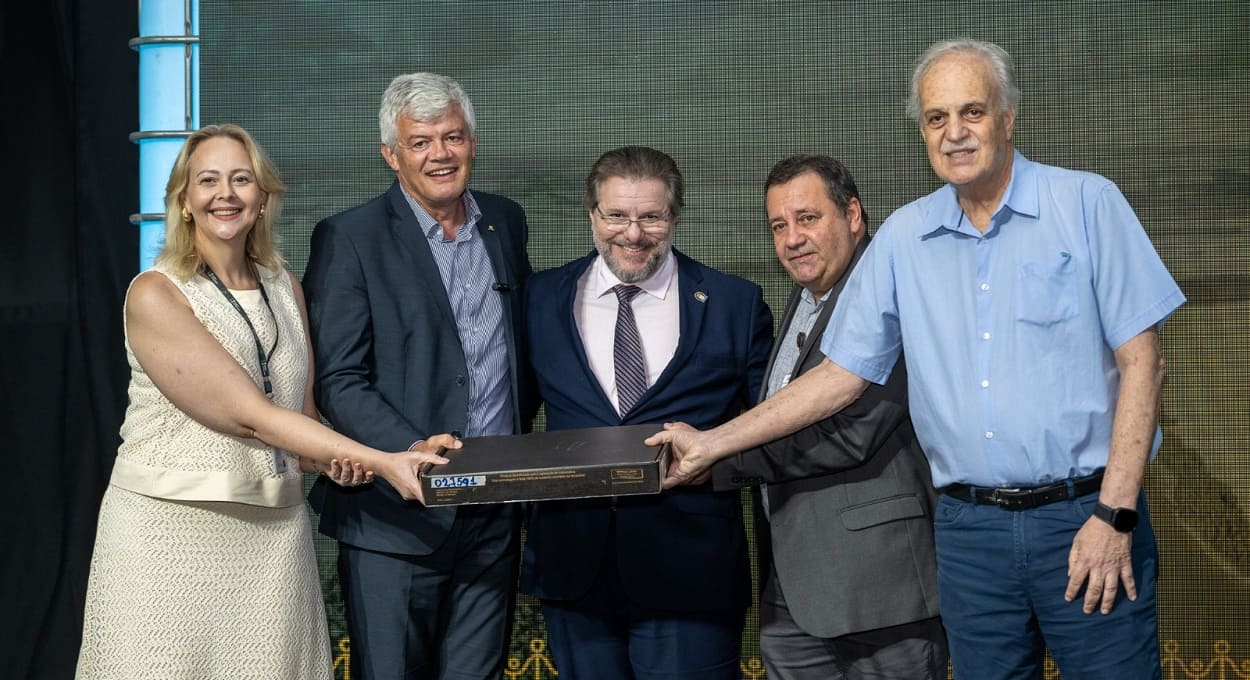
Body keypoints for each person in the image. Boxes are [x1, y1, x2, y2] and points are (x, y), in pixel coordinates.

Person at [649, 39, 1186, 680]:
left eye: (972, 113)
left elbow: (1143, 365)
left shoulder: (1087, 205)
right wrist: (710, 443)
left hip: (1083, 514)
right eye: (936, 118)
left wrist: (1115, 513)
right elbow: (840, 377)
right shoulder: (905, 236)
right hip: (966, 530)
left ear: (1008, 118)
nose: (954, 134)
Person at [75, 124, 455, 679]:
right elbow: (251, 417)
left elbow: (298, 426)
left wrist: (349, 461)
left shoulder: (285, 286)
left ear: (262, 198)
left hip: (275, 540)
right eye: (207, 181)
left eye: (241, 179)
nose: (224, 194)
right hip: (170, 538)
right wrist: (387, 462)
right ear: (184, 200)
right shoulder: (156, 292)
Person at [302, 72, 535, 680]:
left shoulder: (505, 223)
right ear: (391, 154)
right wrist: (407, 450)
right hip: (396, 519)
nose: (441, 154)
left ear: (473, 142)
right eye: (421, 141)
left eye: (452, 137)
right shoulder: (347, 238)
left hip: (494, 513)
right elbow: (340, 379)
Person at [520, 145, 773, 680]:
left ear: (674, 217)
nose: (632, 234)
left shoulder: (735, 304)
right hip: (573, 571)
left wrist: (717, 461)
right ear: (592, 215)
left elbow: (770, 432)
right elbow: (510, 415)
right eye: (616, 215)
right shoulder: (539, 299)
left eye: (651, 217)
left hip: (692, 575)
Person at [711, 154, 947, 679]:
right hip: (793, 586)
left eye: (808, 218)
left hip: (879, 588)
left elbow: (854, 432)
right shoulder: (804, 297)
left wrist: (719, 459)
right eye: (779, 225)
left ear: (854, 216)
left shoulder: (889, 292)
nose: (793, 238)